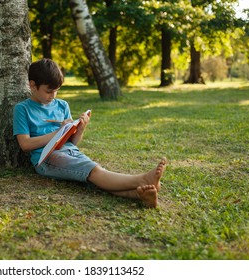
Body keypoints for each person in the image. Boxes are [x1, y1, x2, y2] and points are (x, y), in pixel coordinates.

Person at [13, 58, 167, 208]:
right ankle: (141, 180)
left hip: (70, 150)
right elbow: (25, 145)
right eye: (49, 91)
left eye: (57, 91)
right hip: (46, 158)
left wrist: (80, 128)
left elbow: (71, 142)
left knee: (93, 175)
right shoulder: (23, 109)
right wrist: (57, 133)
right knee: (93, 170)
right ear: (33, 85)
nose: (53, 95)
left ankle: (139, 195)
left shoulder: (62, 105)